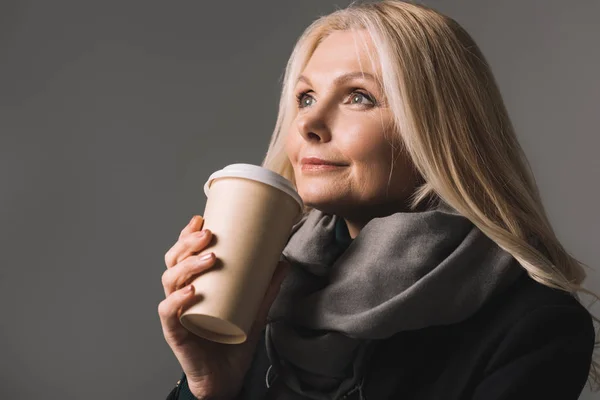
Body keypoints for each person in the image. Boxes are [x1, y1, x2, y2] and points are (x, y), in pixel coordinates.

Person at [159, 1, 599, 399]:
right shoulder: (262, 295)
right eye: (305, 97)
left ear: (437, 129)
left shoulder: (533, 326)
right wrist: (210, 390)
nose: (309, 121)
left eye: (359, 97)